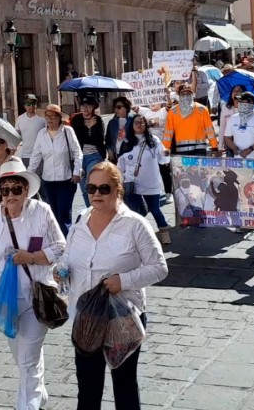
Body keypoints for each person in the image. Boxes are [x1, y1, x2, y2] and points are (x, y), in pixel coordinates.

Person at [63, 162, 168, 410]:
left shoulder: (135, 224)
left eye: (104, 189)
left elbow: (160, 267)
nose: (96, 194)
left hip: (122, 318)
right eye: (91, 188)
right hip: (86, 318)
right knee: (87, 389)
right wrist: (61, 271)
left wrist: (124, 281)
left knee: (124, 387)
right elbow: (67, 258)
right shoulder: (80, 219)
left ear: (118, 190)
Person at [0, 160, 65, 410]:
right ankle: (39, 395)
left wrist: (32, 257)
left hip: (36, 296)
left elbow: (60, 246)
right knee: (22, 358)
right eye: (5, 189)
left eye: (16, 189)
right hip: (5, 300)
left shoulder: (41, 211)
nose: (10, 195)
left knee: (27, 362)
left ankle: (27, 406)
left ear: (26, 190)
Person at [29, 104, 83, 236]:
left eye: (53, 117)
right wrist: (29, 174)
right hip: (49, 180)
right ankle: (57, 240)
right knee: (53, 212)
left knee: (63, 211)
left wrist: (77, 171)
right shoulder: (41, 134)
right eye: (47, 117)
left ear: (59, 118)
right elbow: (36, 155)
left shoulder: (67, 132)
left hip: (66, 179)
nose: (49, 120)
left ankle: (66, 240)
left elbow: (77, 153)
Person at [117, 116, 171, 239]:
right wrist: (120, 181)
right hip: (132, 185)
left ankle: (164, 234)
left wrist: (166, 154)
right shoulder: (125, 142)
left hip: (151, 184)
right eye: (136, 122)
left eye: (142, 122)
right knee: (135, 212)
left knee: (155, 210)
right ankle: (137, 236)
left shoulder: (154, 140)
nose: (139, 125)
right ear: (131, 125)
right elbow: (120, 165)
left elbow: (163, 160)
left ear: (146, 125)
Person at [70, 95, 107, 206]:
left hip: (94, 155)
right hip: (80, 156)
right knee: (84, 187)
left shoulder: (98, 120)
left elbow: (98, 140)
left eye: (88, 106)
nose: (85, 109)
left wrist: (90, 129)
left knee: (91, 181)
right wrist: (88, 128)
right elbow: (77, 139)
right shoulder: (76, 120)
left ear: (93, 107)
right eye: (83, 106)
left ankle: (96, 207)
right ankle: (89, 209)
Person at [162, 83, 218, 156]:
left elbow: (209, 129)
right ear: (179, 96)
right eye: (183, 94)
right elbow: (168, 133)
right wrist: (166, 148)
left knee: (198, 168)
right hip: (181, 149)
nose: (186, 96)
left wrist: (214, 147)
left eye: (188, 93)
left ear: (192, 95)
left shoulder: (202, 110)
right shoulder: (172, 112)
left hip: (199, 148)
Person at [138, 103, 172, 202]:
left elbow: (169, 105)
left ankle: (169, 193)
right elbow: (134, 106)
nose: (153, 103)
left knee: (165, 170)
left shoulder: (163, 111)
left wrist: (167, 94)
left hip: (163, 145)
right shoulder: (145, 111)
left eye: (155, 101)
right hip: (148, 147)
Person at [223, 92, 254, 160]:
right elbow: (227, 137)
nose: (240, 103)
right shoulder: (233, 118)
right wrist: (233, 147)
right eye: (239, 101)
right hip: (238, 161)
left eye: (242, 101)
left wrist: (250, 149)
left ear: (251, 103)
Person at [16, 95, 47, 169]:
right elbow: (16, 136)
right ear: (25, 106)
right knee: (28, 178)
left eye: (33, 103)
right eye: (28, 104)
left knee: (39, 178)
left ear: (36, 105)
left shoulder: (42, 119)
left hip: (41, 155)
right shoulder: (20, 119)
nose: (31, 106)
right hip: (26, 155)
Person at [217, 84, 246, 155]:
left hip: (244, 141)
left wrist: (238, 105)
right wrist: (220, 147)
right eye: (234, 91)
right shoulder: (225, 107)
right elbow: (222, 127)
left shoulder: (247, 108)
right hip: (229, 141)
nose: (236, 93)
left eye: (239, 91)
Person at [105, 97, 135, 162]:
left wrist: (126, 139)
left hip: (129, 156)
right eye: (115, 107)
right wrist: (110, 150)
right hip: (115, 156)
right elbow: (108, 139)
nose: (116, 110)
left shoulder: (133, 121)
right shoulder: (112, 122)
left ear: (126, 108)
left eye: (119, 107)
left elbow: (136, 138)